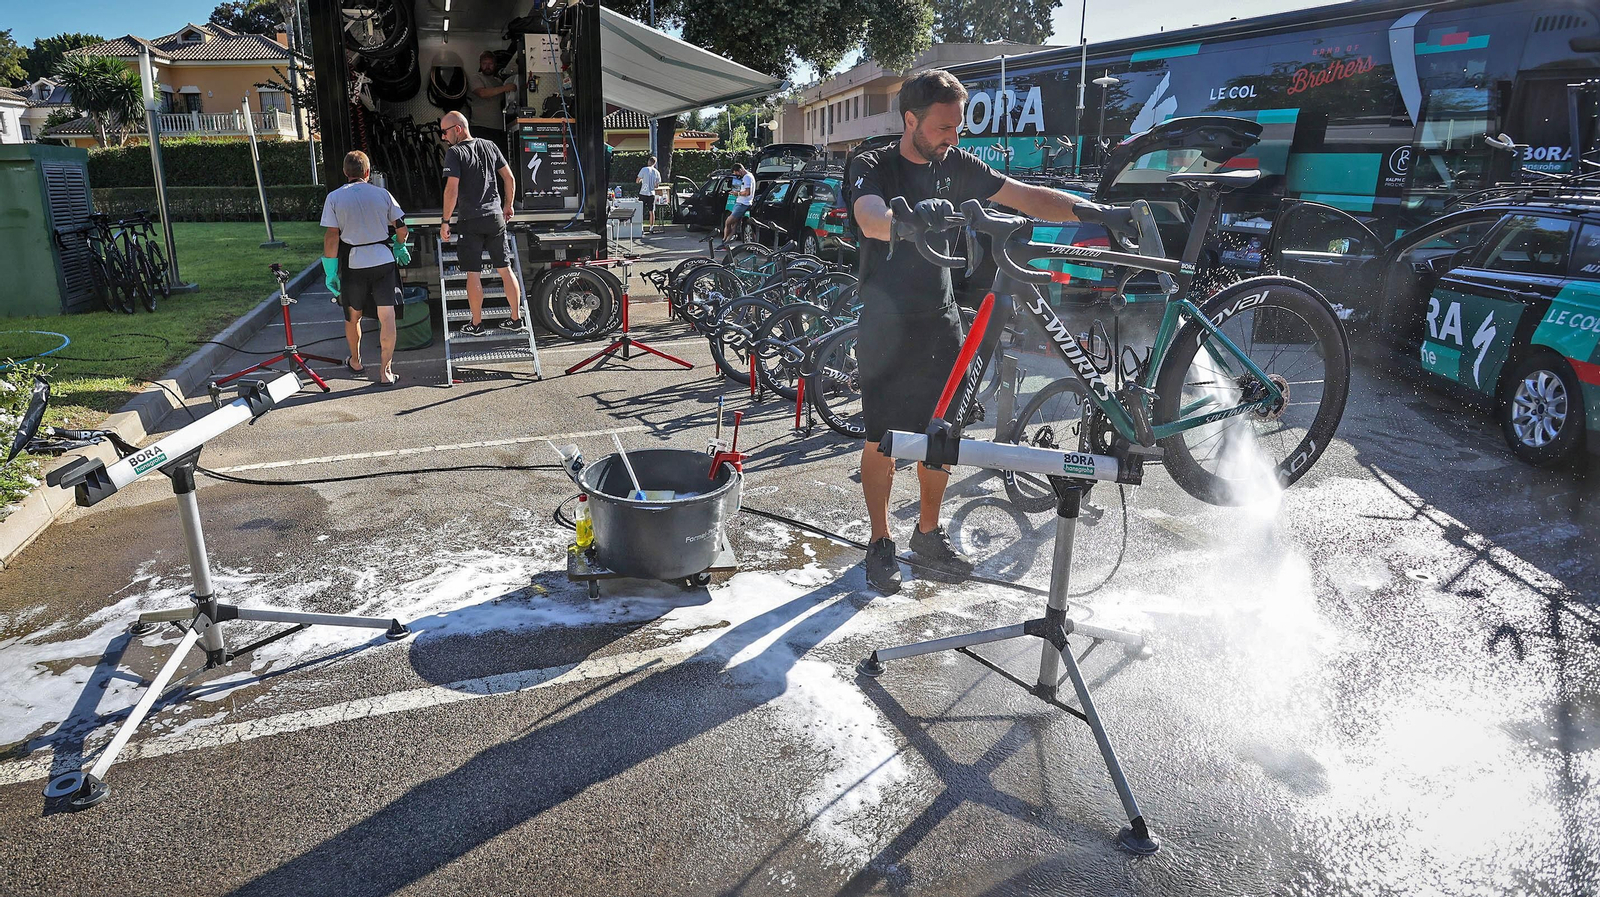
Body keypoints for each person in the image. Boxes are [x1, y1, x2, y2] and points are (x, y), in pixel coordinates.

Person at [848, 69, 1104, 595]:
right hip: (885, 322)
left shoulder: (956, 163)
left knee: (942, 435)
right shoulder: (873, 163)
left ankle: (926, 531)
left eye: (958, 126)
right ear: (911, 120)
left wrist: (1093, 212)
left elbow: (1024, 195)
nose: (954, 137)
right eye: (944, 127)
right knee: (882, 439)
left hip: (941, 319)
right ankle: (879, 541)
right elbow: (869, 216)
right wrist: (908, 221)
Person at [320, 150, 410, 386]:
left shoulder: (334, 197)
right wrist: (399, 247)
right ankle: (385, 371)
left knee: (353, 316)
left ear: (345, 172)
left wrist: (330, 271)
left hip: (354, 263)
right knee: (386, 315)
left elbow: (332, 237)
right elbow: (402, 228)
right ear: (368, 173)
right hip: (383, 260)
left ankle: (357, 361)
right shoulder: (383, 194)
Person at [438, 110, 525, 337]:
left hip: (470, 219)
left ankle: (476, 325)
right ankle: (516, 319)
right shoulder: (489, 146)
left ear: (458, 128)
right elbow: (509, 177)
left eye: (444, 132)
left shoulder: (455, 153)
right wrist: (508, 205)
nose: (443, 138)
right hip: (495, 217)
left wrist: (445, 221)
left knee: (473, 274)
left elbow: (451, 190)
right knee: (505, 269)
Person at [468, 50, 517, 151]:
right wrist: (505, 88)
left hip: (497, 128)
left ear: (495, 65)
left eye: (490, 63)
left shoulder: (498, 82)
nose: (487, 66)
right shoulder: (475, 78)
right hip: (479, 126)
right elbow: (482, 93)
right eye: (484, 63)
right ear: (480, 64)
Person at [720, 162, 755, 246]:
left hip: (743, 203)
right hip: (741, 202)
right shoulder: (749, 176)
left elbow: (747, 192)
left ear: (740, 170)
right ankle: (726, 243)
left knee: (728, 222)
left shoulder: (747, 177)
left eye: (737, 173)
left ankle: (724, 241)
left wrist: (737, 193)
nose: (738, 176)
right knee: (734, 224)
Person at [636, 155, 662, 235]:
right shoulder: (657, 172)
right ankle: (651, 228)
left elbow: (637, 180)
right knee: (652, 211)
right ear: (655, 163)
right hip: (651, 193)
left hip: (643, 193)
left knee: (641, 211)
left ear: (648, 162)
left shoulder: (644, 169)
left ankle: (640, 228)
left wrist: (642, 181)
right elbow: (656, 186)